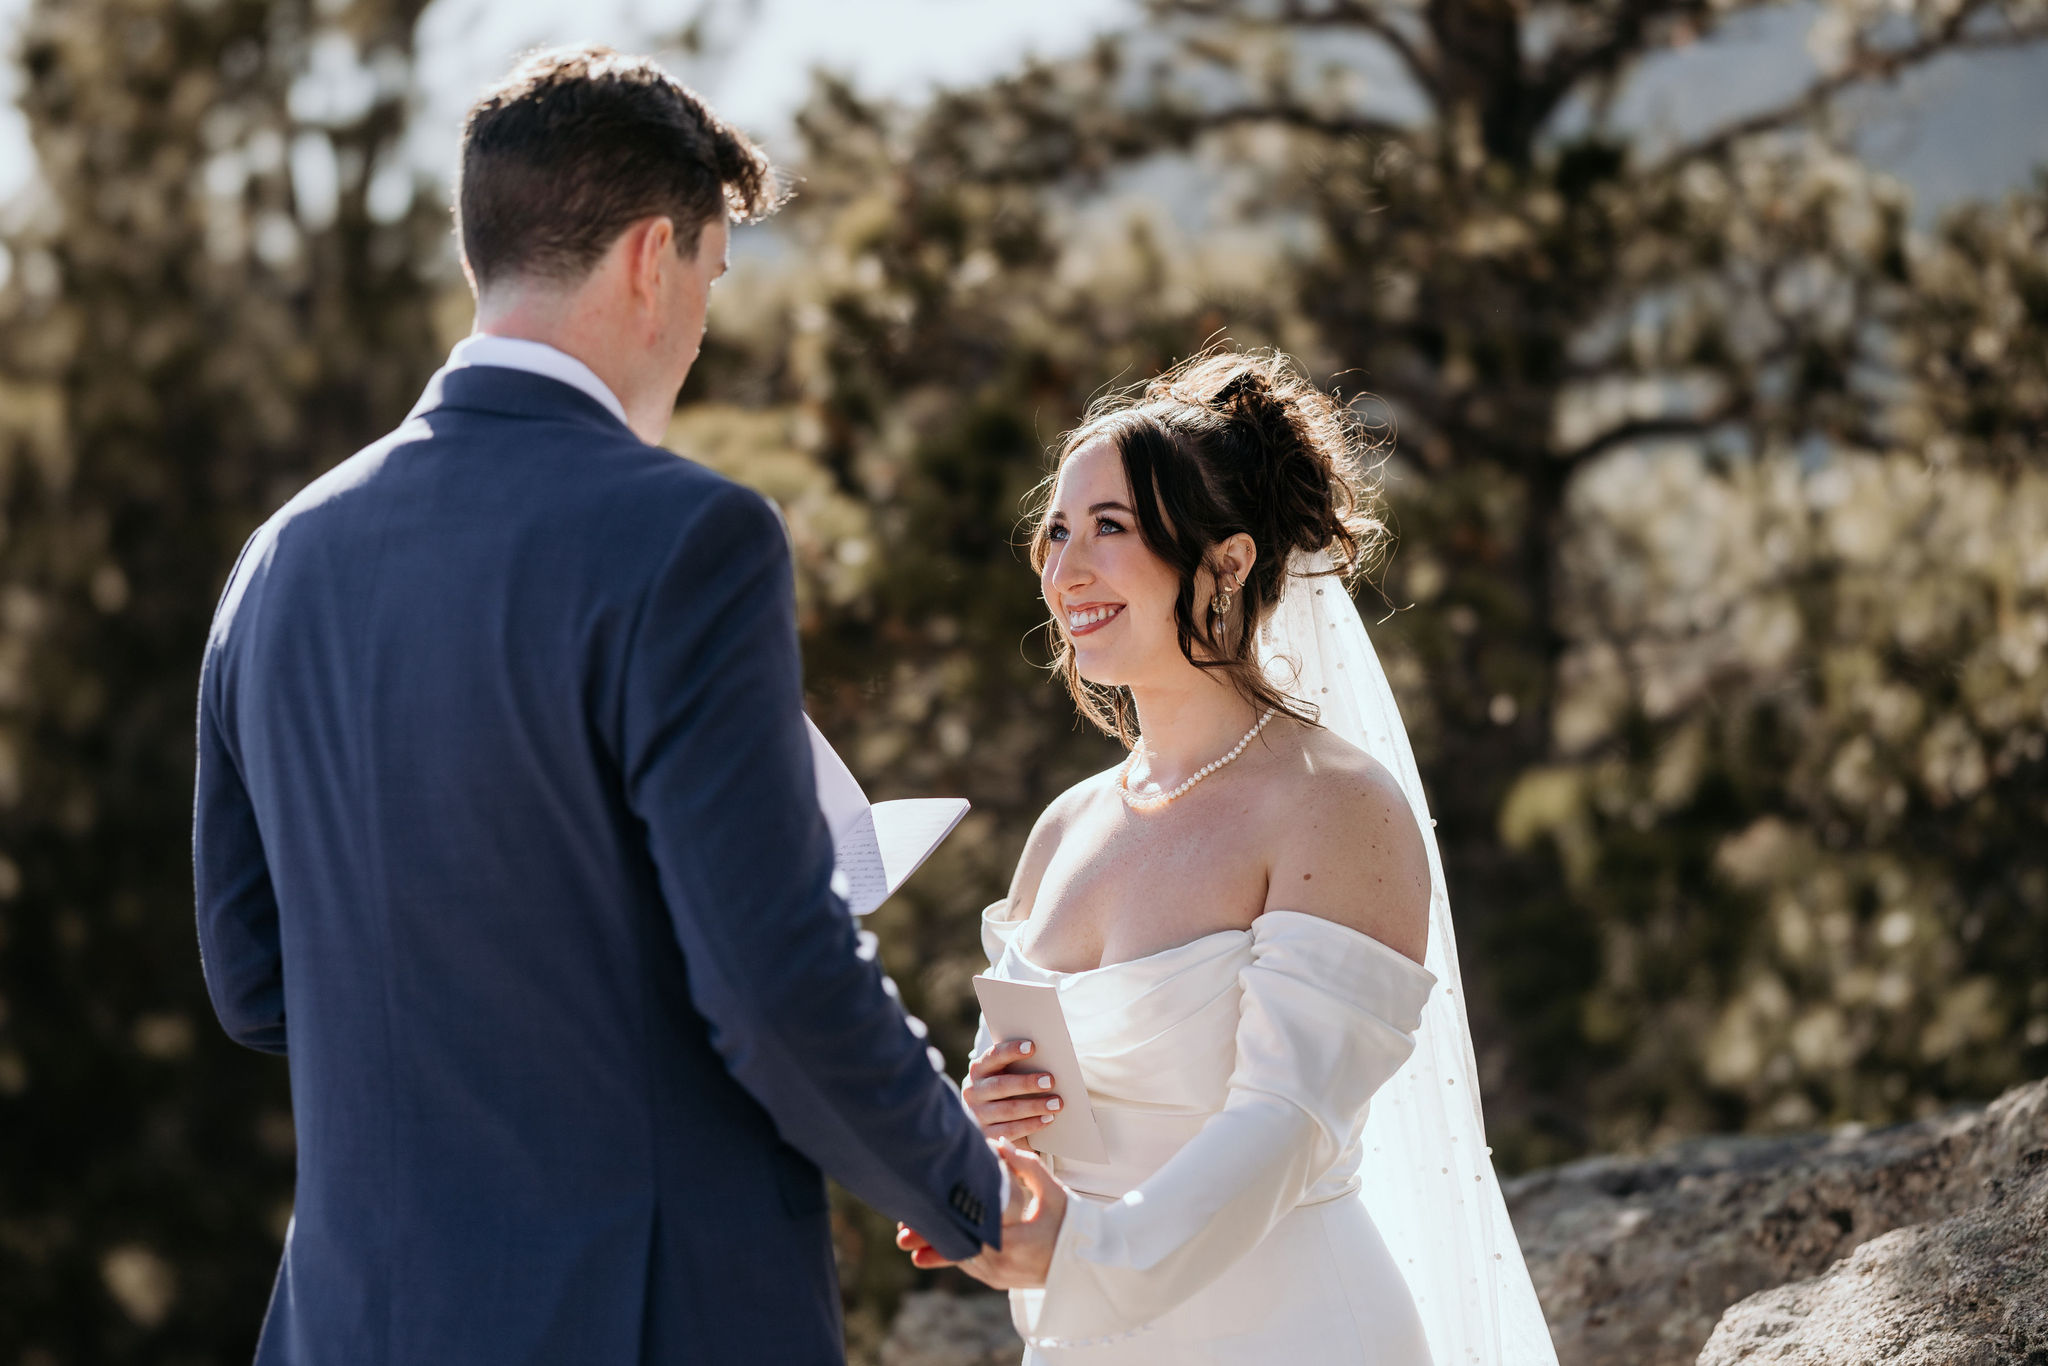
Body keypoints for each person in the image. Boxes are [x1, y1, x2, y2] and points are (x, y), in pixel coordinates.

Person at [192, 47, 1009, 1365]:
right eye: (711, 277)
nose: (699, 328)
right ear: (649, 257)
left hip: (350, 1323)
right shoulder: (688, 537)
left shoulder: (276, 560)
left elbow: (253, 980)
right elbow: (771, 982)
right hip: (646, 1315)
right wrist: (972, 1193)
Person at [897, 352, 1559, 1363]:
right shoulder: (1064, 828)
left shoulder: (1334, 805)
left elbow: (1286, 1123)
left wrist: (1083, 1252)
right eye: (1057, 531)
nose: (1065, 571)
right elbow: (1052, 1116)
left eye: (1110, 528)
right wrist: (983, 1139)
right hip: (1085, 1335)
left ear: (1228, 562)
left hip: (1294, 1331)